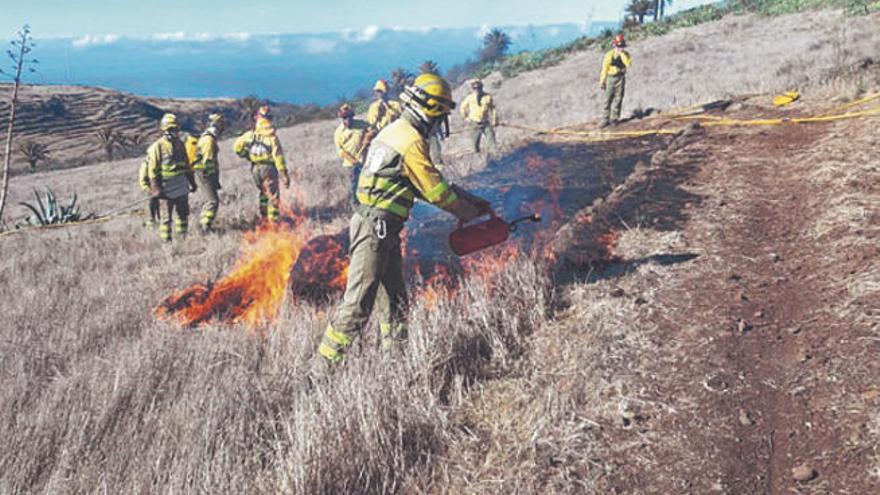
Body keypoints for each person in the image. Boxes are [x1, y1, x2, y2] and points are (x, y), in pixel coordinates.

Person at [317, 73, 492, 364]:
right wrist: (469, 213)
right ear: (431, 111)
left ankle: (394, 359)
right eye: (440, 116)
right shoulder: (411, 141)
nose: (439, 124)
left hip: (383, 229)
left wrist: (473, 199)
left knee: (396, 300)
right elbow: (437, 194)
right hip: (375, 228)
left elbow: (422, 183)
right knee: (358, 304)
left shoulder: (395, 130)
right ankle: (320, 373)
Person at [144, 113, 197, 242]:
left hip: (181, 185)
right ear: (166, 130)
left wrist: (192, 182)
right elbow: (153, 169)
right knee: (166, 217)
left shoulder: (180, 144)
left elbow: (186, 165)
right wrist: (156, 188)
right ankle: (166, 242)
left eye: (177, 129)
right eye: (173, 129)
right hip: (165, 188)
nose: (176, 132)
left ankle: (182, 237)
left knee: (183, 213)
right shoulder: (158, 146)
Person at [233, 113, 289, 223]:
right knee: (273, 195)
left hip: (255, 169)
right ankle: (274, 222)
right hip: (268, 168)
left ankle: (264, 217)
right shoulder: (272, 138)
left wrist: (247, 155)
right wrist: (284, 174)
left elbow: (236, 147)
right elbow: (278, 157)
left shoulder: (250, 135)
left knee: (263, 192)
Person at [333, 103, 374, 203]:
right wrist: (354, 162)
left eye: (349, 117)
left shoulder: (361, 124)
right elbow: (341, 151)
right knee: (354, 188)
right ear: (341, 118)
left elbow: (372, 130)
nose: (348, 120)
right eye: (345, 118)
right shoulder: (338, 132)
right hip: (351, 165)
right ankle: (355, 206)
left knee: (368, 186)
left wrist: (368, 136)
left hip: (365, 162)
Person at [192, 113, 225, 233]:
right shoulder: (209, 140)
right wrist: (212, 178)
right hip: (204, 174)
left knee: (211, 200)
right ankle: (205, 227)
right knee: (212, 201)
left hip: (204, 174)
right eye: (221, 124)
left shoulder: (208, 138)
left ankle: (204, 225)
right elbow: (208, 162)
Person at [599, 34, 632, 128]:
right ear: (614, 45)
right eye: (618, 46)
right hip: (610, 78)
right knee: (607, 99)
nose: (620, 48)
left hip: (620, 78)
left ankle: (614, 119)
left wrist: (622, 54)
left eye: (622, 46)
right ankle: (605, 119)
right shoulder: (609, 55)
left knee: (618, 98)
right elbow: (604, 69)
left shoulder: (626, 55)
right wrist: (602, 81)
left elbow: (628, 64)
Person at [459, 78, 498, 155]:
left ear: (481, 87)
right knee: (475, 144)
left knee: (491, 142)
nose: (477, 89)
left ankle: (494, 158)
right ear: (472, 88)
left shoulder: (487, 97)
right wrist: (466, 118)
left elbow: (493, 108)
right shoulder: (469, 98)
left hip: (486, 122)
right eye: (474, 87)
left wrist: (494, 120)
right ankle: (478, 157)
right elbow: (462, 108)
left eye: (478, 87)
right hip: (475, 123)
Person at [137, 158, 160, 229]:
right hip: (151, 188)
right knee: (152, 203)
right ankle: (151, 220)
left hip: (161, 186)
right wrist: (149, 189)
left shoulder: (160, 160)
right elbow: (142, 180)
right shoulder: (146, 163)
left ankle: (160, 218)